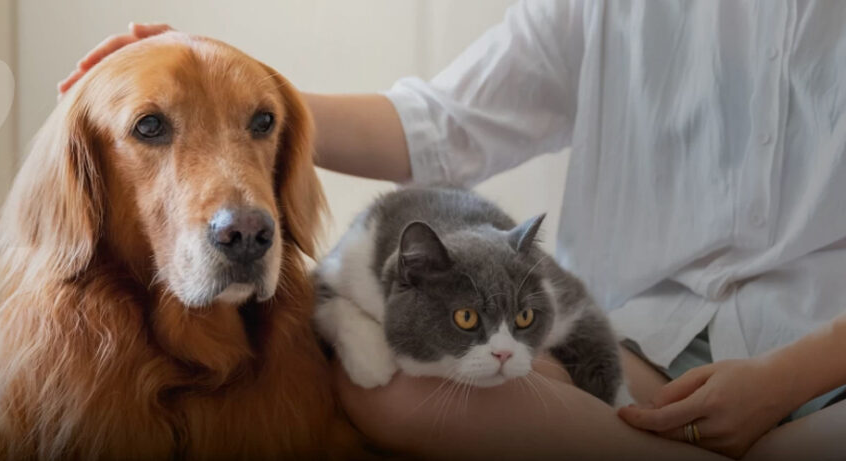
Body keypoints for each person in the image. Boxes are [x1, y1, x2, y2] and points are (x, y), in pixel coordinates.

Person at [59, 1, 846, 459]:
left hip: (825, 360)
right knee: (389, 385)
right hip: (625, 343)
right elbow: (439, 124)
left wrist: (786, 381)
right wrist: (231, 79)